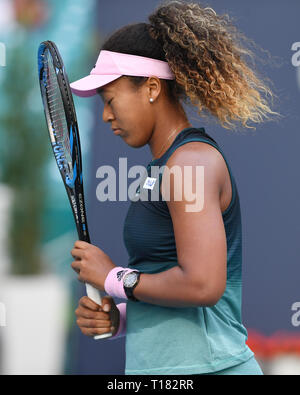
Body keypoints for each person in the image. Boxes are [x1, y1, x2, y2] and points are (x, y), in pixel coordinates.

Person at [70, 0, 279, 375]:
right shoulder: (162, 169)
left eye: (110, 99)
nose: (105, 115)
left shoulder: (190, 163)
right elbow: (172, 286)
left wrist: (113, 278)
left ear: (151, 88)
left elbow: (202, 285)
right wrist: (119, 319)